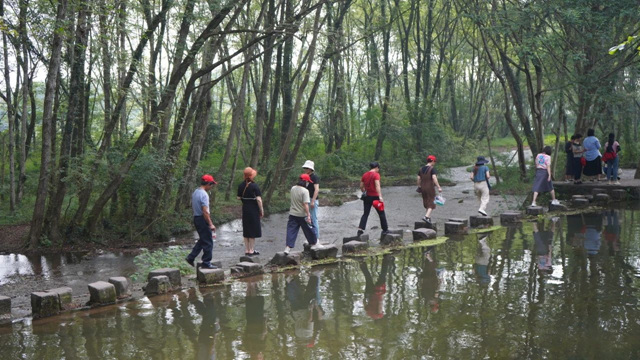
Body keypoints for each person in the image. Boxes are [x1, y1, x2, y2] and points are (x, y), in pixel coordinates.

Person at [284, 174, 324, 254]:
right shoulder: (305, 191)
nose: (308, 184)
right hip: (302, 215)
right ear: (305, 182)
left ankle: (288, 248)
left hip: (292, 214)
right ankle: (314, 243)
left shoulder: (293, 188)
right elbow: (305, 204)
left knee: (291, 231)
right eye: (308, 182)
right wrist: (308, 215)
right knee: (309, 229)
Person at [186, 174, 218, 269]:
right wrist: (211, 224)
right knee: (208, 242)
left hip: (196, 218)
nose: (212, 187)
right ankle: (206, 262)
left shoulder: (196, 192)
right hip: (202, 218)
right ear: (208, 183)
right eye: (211, 184)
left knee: (203, 239)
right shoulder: (204, 194)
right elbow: (205, 211)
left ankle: (191, 257)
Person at [357, 162, 389, 236]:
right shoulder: (376, 175)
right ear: (377, 167)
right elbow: (377, 186)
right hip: (375, 197)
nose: (378, 170)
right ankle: (385, 230)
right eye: (378, 168)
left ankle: (360, 230)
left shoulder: (365, 174)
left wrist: (364, 191)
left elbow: (361, 186)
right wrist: (380, 197)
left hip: (367, 197)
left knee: (365, 214)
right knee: (381, 213)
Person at [237, 167, 263, 256]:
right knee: (253, 230)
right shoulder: (254, 186)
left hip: (245, 209)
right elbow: (259, 200)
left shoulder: (241, 185)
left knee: (246, 229)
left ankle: (247, 250)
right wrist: (261, 210)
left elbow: (238, 197)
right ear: (251, 175)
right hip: (253, 210)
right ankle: (251, 250)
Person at [417, 155, 442, 224]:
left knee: (426, 201)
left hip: (423, 187)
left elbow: (418, 179)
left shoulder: (421, 169)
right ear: (432, 161)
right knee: (432, 202)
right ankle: (426, 217)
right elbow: (434, 178)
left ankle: (428, 218)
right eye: (435, 161)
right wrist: (438, 187)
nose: (435, 163)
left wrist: (419, 186)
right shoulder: (432, 169)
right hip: (430, 187)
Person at [302, 160, 320, 241]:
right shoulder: (305, 177)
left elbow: (316, 190)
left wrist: (313, 201)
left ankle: (316, 237)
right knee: (308, 219)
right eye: (305, 168)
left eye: (306, 168)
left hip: (312, 199)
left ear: (310, 169)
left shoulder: (314, 177)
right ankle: (311, 237)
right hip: (306, 200)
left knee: (313, 218)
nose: (305, 169)